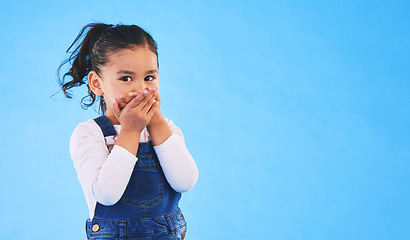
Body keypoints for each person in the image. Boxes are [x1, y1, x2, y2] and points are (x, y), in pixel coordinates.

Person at [58, 23, 199, 240]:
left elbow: (185, 182)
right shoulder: (90, 134)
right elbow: (107, 194)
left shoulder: (167, 130)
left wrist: (157, 122)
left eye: (149, 78)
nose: (140, 89)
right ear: (97, 84)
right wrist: (131, 131)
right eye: (126, 79)